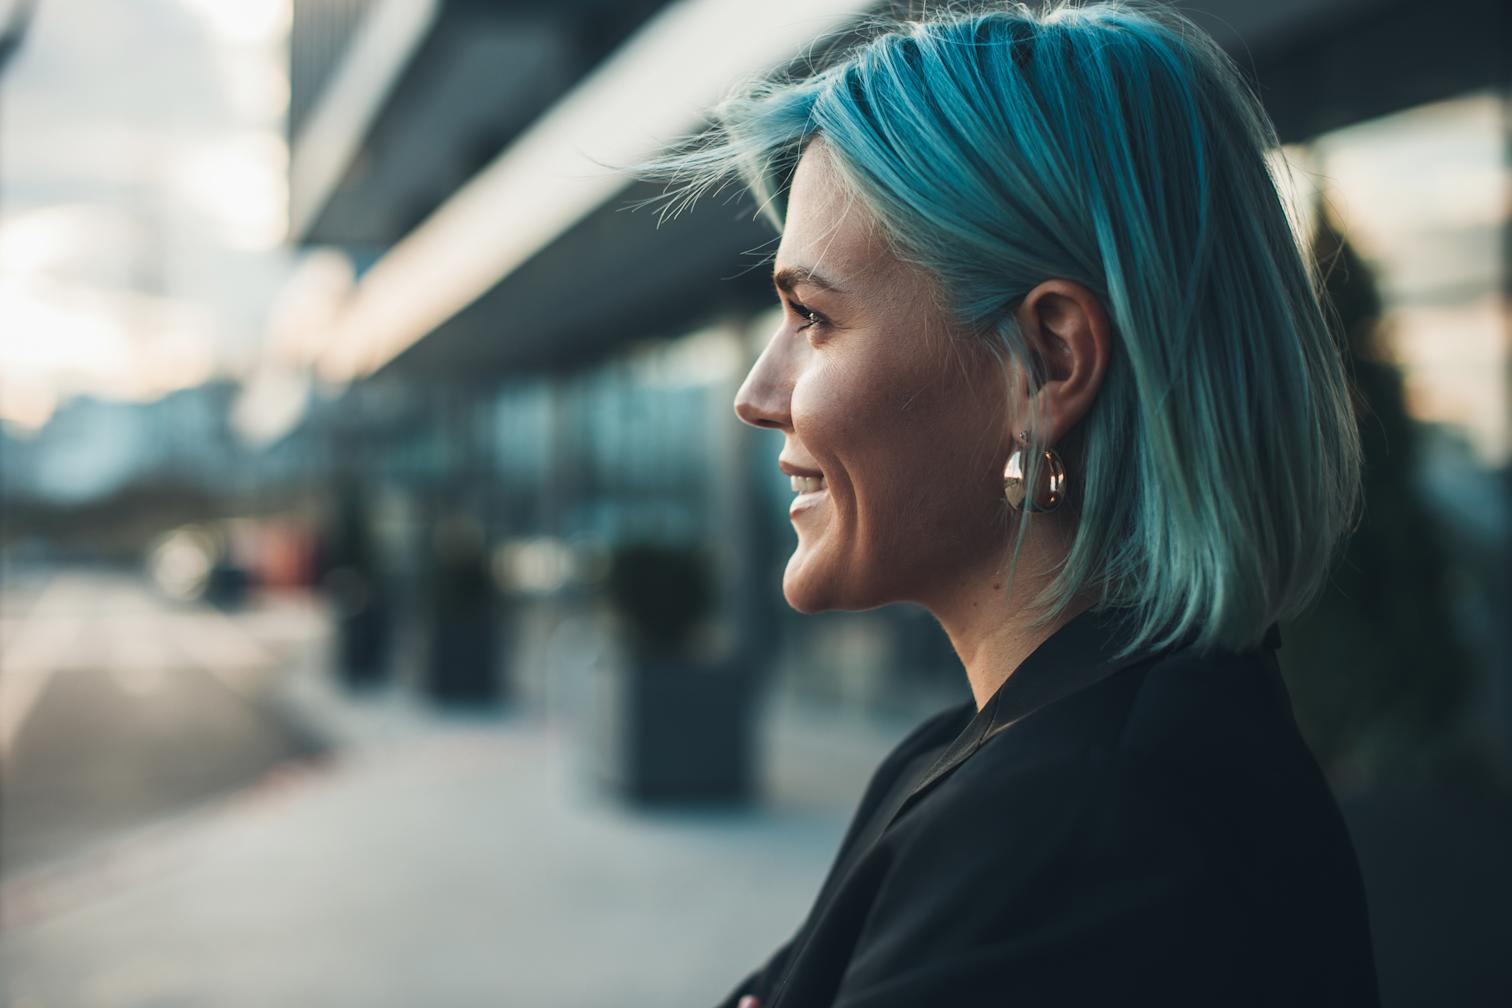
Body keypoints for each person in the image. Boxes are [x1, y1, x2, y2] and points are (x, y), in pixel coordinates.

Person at [645, 2, 1378, 1004]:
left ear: (1047, 361)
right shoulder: (999, 757)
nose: (755, 394)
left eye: (812, 319)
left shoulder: (1083, 833)